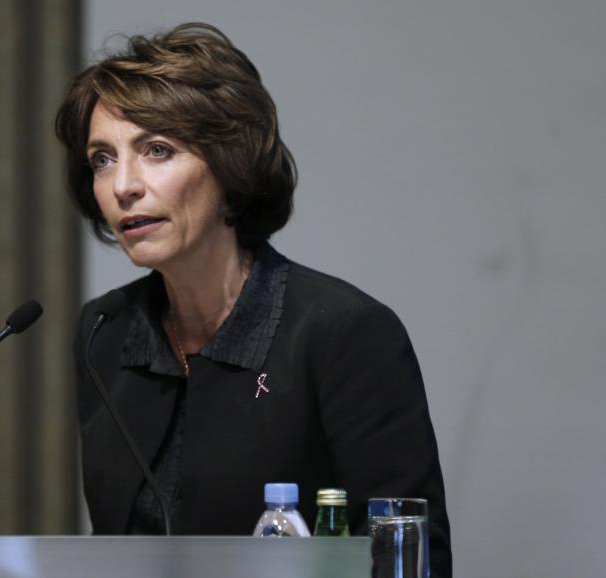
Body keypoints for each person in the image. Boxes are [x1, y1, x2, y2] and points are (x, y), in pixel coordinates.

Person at [55, 23, 451, 577]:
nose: (123, 185)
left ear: (229, 163)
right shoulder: (105, 332)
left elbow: (410, 559)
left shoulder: (343, 332)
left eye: (157, 150)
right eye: (102, 158)